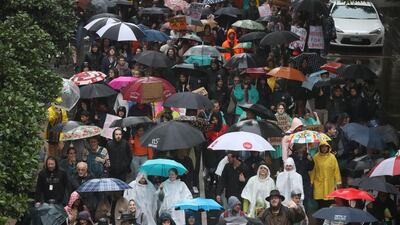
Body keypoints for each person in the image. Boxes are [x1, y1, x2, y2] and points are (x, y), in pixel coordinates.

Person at [310, 141, 341, 209]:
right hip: (319, 182)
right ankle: (320, 219)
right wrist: (311, 181)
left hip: (329, 183)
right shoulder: (315, 157)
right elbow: (313, 171)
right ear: (320, 148)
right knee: (320, 202)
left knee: (329, 201)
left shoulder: (332, 157)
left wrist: (338, 181)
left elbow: (336, 170)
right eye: (322, 147)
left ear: (328, 148)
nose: (324, 148)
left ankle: (327, 218)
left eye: (325, 147)